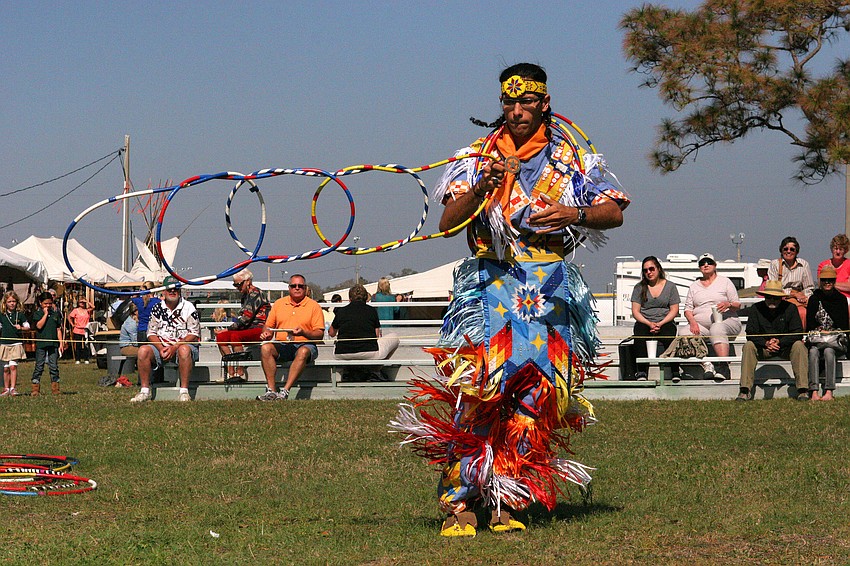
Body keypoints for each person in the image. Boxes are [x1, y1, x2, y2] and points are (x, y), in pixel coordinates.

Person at [390, 63, 628, 536]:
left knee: (537, 396)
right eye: (508, 102)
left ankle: (507, 500)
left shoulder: (572, 158)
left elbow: (614, 211)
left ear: (544, 103)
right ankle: (460, 502)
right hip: (491, 289)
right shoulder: (477, 157)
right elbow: (447, 222)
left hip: (549, 290)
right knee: (480, 394)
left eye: (526, 102)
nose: (517, 111)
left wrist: (575, 211)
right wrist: (482, 185)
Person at [130, 276, 200, 403]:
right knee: (143, 350)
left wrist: (174, 347)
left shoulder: (189, 307)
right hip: (161, 347)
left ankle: (184, 391)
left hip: (184, 346)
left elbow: (194, 333)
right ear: (164, 291)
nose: (172, 292)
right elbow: (151, 333)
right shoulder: (157, 308)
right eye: (169, 289)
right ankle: (144, 391)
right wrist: (161, 348)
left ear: (179, 291)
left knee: (184, 350)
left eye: (175, 289)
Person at [256, 274, 324, 401]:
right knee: (265, 348)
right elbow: (268, 326)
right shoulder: (279, 304)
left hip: (305, 345)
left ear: (305, 288)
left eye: (300, 286)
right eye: (294, 286)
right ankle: (271, 390)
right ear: (289, 288)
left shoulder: (314, 306)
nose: (297, 288)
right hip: (282, 344)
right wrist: (267, 334)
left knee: (303, 352)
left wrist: (303, 333)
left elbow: (319, 334)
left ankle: (285, 391)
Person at [737, 280, 808, 401]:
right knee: (748, 345)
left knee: (799, 346)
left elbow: (797, 333)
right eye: (769, 297)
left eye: (775, 298)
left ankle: (803, 390)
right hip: (763, 348)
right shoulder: (756, 308)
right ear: (765, 297)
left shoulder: (791, 308)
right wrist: (766, 343)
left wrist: (779, 342)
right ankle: (744, 390)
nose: (772, 300)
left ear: (781, 298)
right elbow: (750, 333)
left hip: (785, 348)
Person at [683, 253, 742, 380]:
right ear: (699, 267)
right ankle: (707, 364)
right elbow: (688, 308)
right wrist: (692, 322)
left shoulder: (725, 282)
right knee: (683, 332)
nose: (705, 265)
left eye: (708, 262)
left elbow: (737, 304)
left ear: (715, 265)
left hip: (727, 320)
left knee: (717, 327)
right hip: (701, 325)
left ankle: (723, 367)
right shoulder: (694, 286)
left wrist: (728, 304)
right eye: (702, 263)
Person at [328, 284, 399, 380]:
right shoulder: (371, 311)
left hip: (342, 353)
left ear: (349, 298)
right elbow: (376, 335)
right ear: (366, 298)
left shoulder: (341, 311)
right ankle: (375, 370)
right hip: (369, 352)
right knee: (395, 337)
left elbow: (331, 333)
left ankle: (349, 371)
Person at [630, 256, 680, 380]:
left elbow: (674, 309)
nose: (649, 272)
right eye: (645, 270)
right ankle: (641, 371)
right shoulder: (639, 288)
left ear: (658, 269)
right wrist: (649, 323)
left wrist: (661, 323)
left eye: (651, 269)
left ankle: (675, 371)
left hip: (665, 321)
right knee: (639, 334)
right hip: (645, 321)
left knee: (670, 334)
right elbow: (636, 311)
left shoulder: (670, 287)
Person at [214, 269, 270, 380]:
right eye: (235, 284)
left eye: (238, 284)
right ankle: (231, 372)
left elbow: (245, 318)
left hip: (261, 328)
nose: (237, 287)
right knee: (220, 337)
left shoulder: (256, 294)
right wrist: (225, 331)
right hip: (247, 328)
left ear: (248, 281)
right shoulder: (245, 295)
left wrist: (228, 329)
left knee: (235, 336)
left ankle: (240, 371)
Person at [806, 265, 849, 401]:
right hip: (818, 339)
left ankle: (829, 390)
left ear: (834, 281)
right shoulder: (814, 299)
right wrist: (821, 331)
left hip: (834, 340)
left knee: (829, 352)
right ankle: (813, 391)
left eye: (830, 280)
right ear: (820, 281)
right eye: (824, 280)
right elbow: (810, 324)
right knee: (813, 352)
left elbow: (843, 326)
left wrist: (829, 332)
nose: (827, 283)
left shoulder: (841, 300)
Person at [768, 236, 814, 329]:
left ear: (796, 251)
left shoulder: (804, 264)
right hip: (780, 299)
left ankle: (802, 337)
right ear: (781, 250)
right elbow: (773, 289)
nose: (788, 251)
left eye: (792, 249)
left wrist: (805, 297)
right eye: (785, 249)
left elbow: (809, 287)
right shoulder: (775, 264)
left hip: (800, 300)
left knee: (805, 312)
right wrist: (793, 294)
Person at [30, 291, 65, 396]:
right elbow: (39, 326)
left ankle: (55, 388)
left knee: (53, 366)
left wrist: (61, 343)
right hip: (41, 345)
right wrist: (45, 314)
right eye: (45, 303)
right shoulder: (37, 314)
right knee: (39, 366)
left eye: (50, 303)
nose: (48, 305)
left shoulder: (55, 314)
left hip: (53, 345)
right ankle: (35, 388)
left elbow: (58, 329)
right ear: (41, 303)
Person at [0, 291, 29, 397]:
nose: (12, 303)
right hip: (4, 343)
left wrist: (21, 327)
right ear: (5, 303)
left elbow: (28, 326)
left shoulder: (20, 314)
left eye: (13, 301)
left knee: (13, 367)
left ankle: (13, 388)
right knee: (5, 368)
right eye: (9, 301)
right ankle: (6, 388)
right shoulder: (2, 315)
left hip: (16, 343)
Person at [817, 234, 850, 300]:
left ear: (845, 251)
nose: (838, 252)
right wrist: (842, 285)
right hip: (827, 297)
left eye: (841, 249)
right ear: (832, 249)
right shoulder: (823, 265)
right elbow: (820, 284)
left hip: (846, 299)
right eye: (836, 248)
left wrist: (830, 284)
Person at [67, 298, 93, 364]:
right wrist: (72, 324)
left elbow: (93, 307)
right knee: (78, 345)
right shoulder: (75, 310)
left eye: (83, 302)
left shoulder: (87, 310)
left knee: (86, 345)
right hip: (77, 329)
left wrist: (87, 301)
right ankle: (77, 359)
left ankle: (86, 358)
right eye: (81, 302)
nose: (82, 303)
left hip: (85, 330)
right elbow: (69, 317)